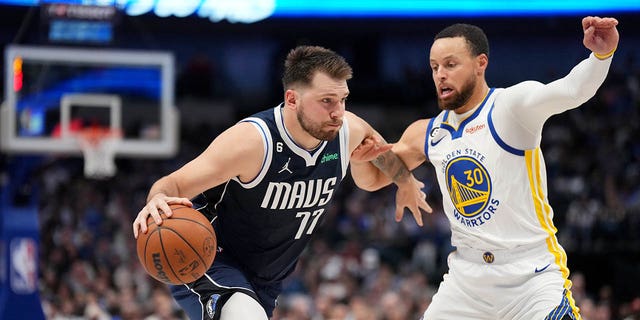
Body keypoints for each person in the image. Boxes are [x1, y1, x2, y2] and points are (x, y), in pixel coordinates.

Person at [132, 45, 431, 320]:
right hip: (209, 257)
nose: (338, 112)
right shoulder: (251, 142)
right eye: (327, 101)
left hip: (266, 279)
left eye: (342, 100)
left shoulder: (348, 129)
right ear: (292, 99)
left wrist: (403, 181)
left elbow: (378, 165)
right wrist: (157, 198)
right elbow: (172, 184)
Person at [365, 16, 619, 319]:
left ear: (480, 63)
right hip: (466, 280)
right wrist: (369, 157)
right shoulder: (427, 132)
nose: (440, 75)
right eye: (434, 67)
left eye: (450, 64)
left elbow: (571, 90)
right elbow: (374, 174)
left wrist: (601, 56)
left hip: (529, 276)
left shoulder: (511, 106)